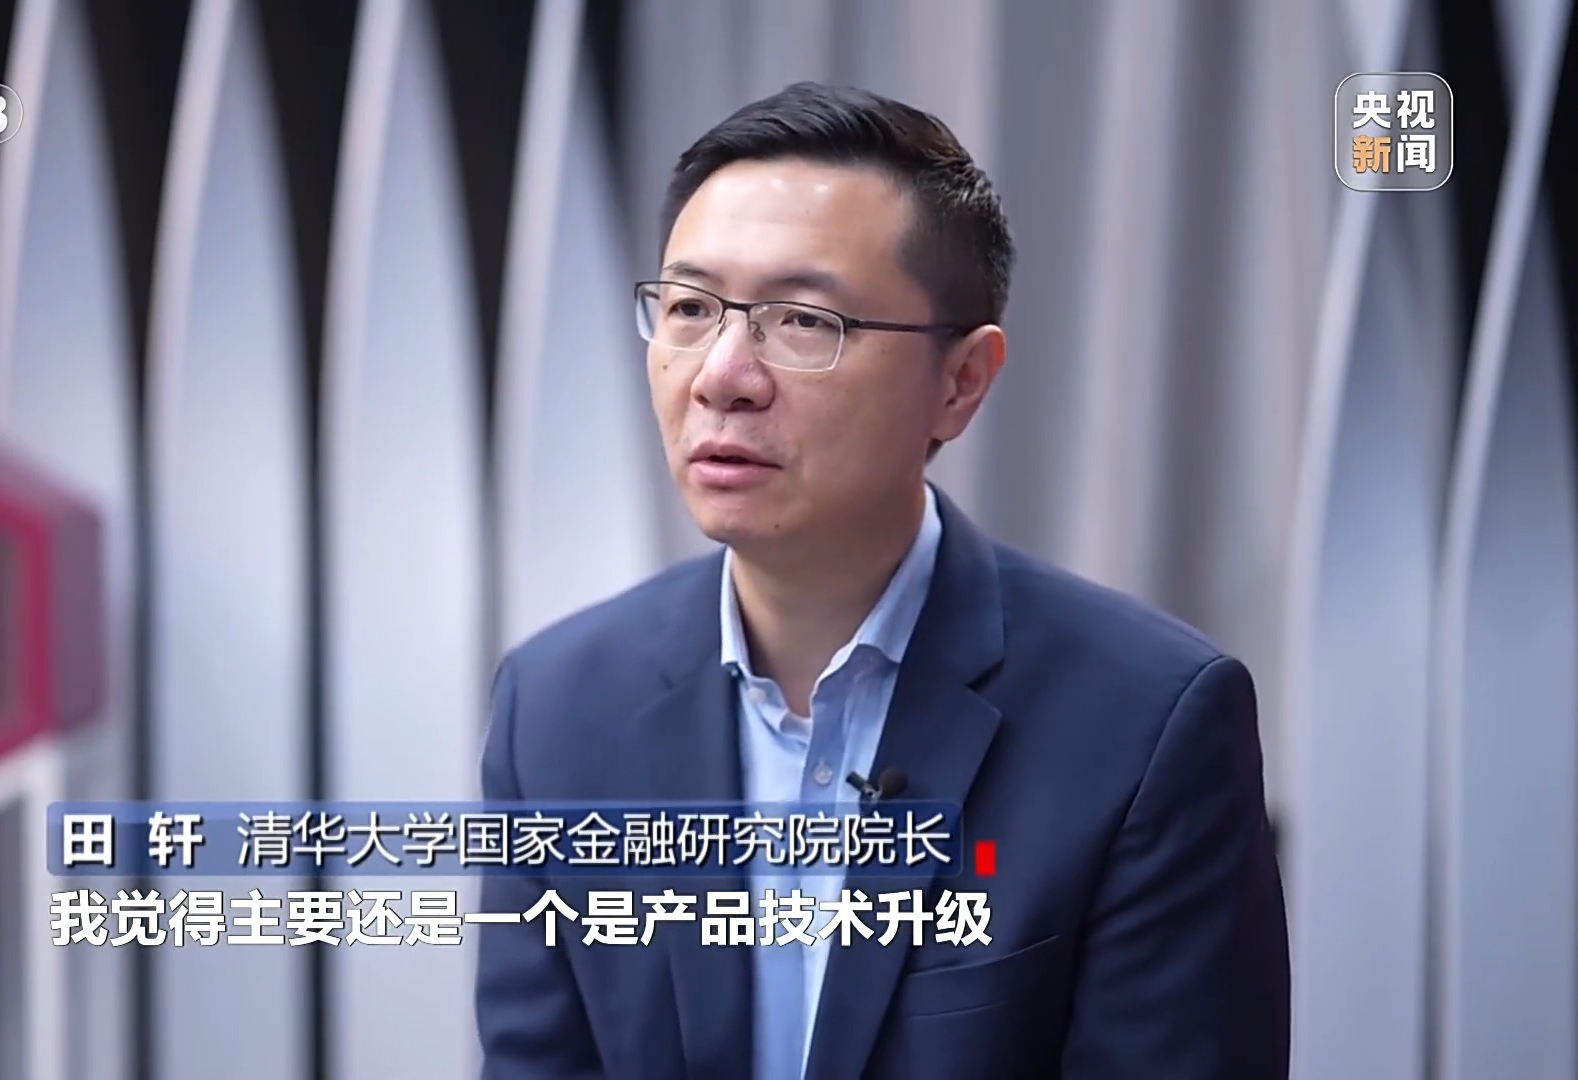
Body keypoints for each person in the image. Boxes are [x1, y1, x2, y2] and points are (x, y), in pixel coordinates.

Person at [474, 81, 1289, 1080]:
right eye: (689, 308)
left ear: (961, 382)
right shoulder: (558, 708)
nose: (722, 375)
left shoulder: (1147, 726)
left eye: (803, 321)